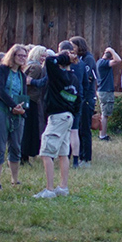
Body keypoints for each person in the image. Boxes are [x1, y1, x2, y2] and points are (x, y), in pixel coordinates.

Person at [28, 50, 81, 198]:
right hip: (68, 116)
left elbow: (50, 61)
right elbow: (78, 99)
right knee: (63, 153)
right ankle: (63, 187)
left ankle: (49, 189)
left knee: (46, 152)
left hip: (57, 116)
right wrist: (74, 112)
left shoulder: (57, 74)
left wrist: (63, 57)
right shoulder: (74, 78)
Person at [0, 44, 28, 190]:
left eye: (25, 56)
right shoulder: (2, 70)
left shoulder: (22, 75)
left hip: (18, 113)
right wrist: (12, 105)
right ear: (12, 56)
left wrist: (22, 109)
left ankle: (15, 179)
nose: (23, 58)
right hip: (1, 110)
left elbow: (24, 94)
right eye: (20, 55)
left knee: (16, 146)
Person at [69, 36, 98, 167]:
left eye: (73, 46)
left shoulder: (88, 59)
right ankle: (79, 154)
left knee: (85, 128)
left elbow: (89, 79)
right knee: (79, 128)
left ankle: (87, 158)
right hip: (80, 98)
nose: (71, 49)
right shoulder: (77, 59)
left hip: (87, 98)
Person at [21, 45, 52, 164]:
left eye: (45, 56)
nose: (44, 58)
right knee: (29, 129)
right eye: (42, 56)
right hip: (31, 100)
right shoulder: (36, 67)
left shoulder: (29, 65)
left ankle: (24, 155)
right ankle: (24, 156)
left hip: (28, 100)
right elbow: (27, 82)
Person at [95, 46, 121, 141]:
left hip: (102, 90)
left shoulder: (99, 62)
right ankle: (102, 135)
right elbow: (118, 60)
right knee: (105, 114)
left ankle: (102, 134)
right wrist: (112, 50)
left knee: (104, 113)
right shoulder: (104, 63)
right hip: (105, 91)